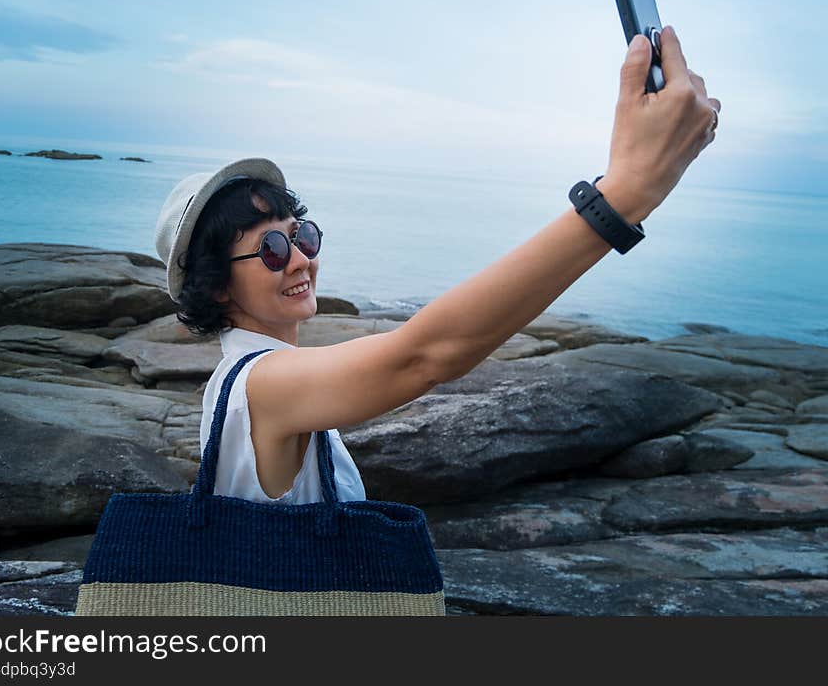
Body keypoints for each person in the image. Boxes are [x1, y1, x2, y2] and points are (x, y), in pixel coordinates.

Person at [153, 27, 720, 505]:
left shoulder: (258, 378)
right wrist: (620, 198)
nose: (301, 258)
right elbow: (425, 354)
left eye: (301, 235)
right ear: (216, 287)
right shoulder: (264, 384)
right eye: (271, 249)